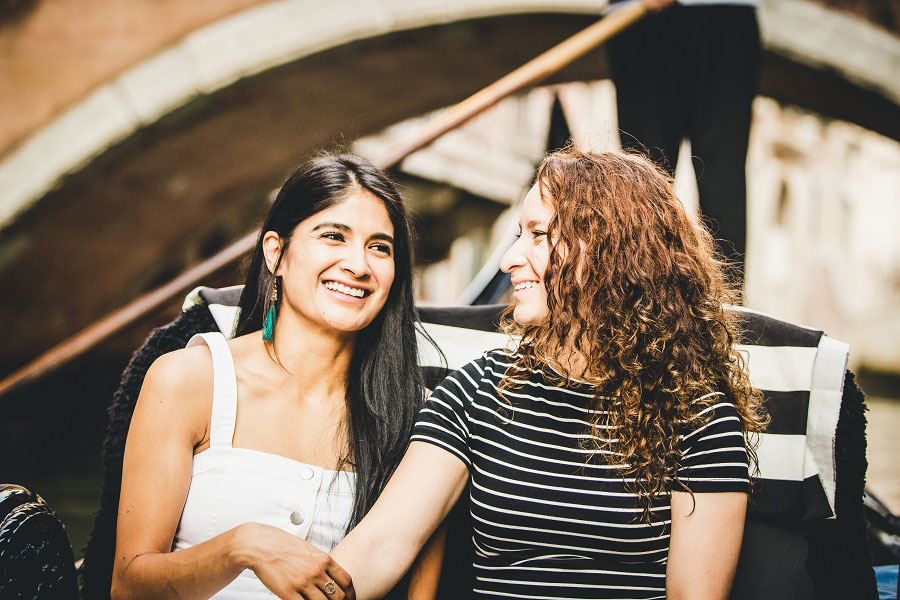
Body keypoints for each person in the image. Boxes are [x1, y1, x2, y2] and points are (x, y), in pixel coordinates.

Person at [325, 149, 769, 599]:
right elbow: (381, 545)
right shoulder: (474, 392)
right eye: (519, 234)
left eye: (538, 234)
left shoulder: (698, 416)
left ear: (611, 251)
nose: (508, 260)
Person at [110, 154, 442, 600]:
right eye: (333, 236)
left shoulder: (417, 416)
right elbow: (128, 587)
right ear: (276, 253)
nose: (359, 266)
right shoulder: (190, 380)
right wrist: (240, 547)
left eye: (379, 247)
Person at [608, 0, 761, 286]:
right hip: (637, 18)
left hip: (723, 12)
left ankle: (726, 311)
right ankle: (635, 308)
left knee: (721, 183)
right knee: (640, 186)